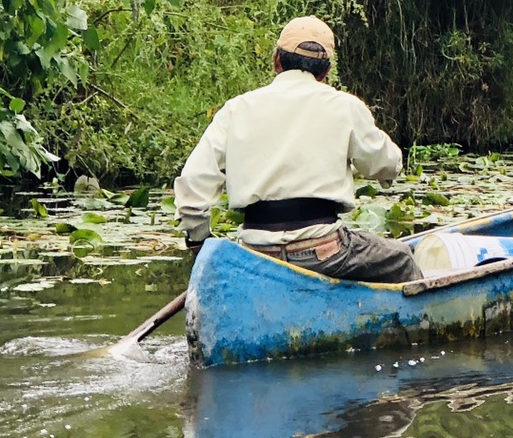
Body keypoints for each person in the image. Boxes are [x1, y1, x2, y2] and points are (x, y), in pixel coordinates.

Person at [174, 15, 420, 283]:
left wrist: (199, 239)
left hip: (255, 254)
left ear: (277, 60)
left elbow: (193, 182)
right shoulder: (344, 106)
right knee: (402, 258)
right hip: (325, 251)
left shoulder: (236, 109)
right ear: (325, 72)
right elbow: (388, 165)